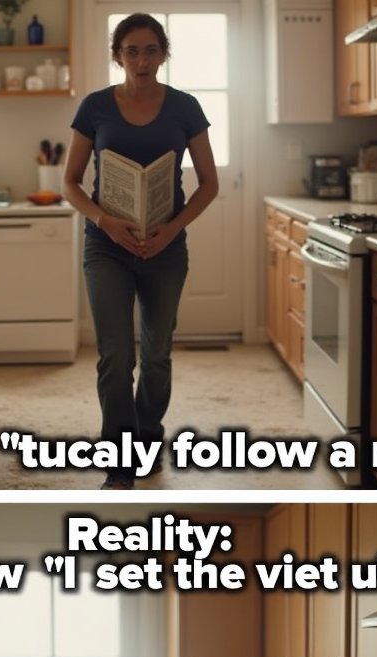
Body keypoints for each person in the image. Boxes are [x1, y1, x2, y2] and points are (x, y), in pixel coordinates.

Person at [63, 12, 219, 489]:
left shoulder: (185, 107)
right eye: (131, 50)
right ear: (118, 56)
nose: (142, 59)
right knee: (115, 356)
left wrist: (172, 229)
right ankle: (120, 460)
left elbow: (209, 184)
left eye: (151, 50)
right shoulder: (94, 107)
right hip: (107, 247)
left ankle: (148, 434)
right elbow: (69, 183)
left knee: (156, 354)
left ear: (163, 54)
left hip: (165, 248)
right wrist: (104, 220)